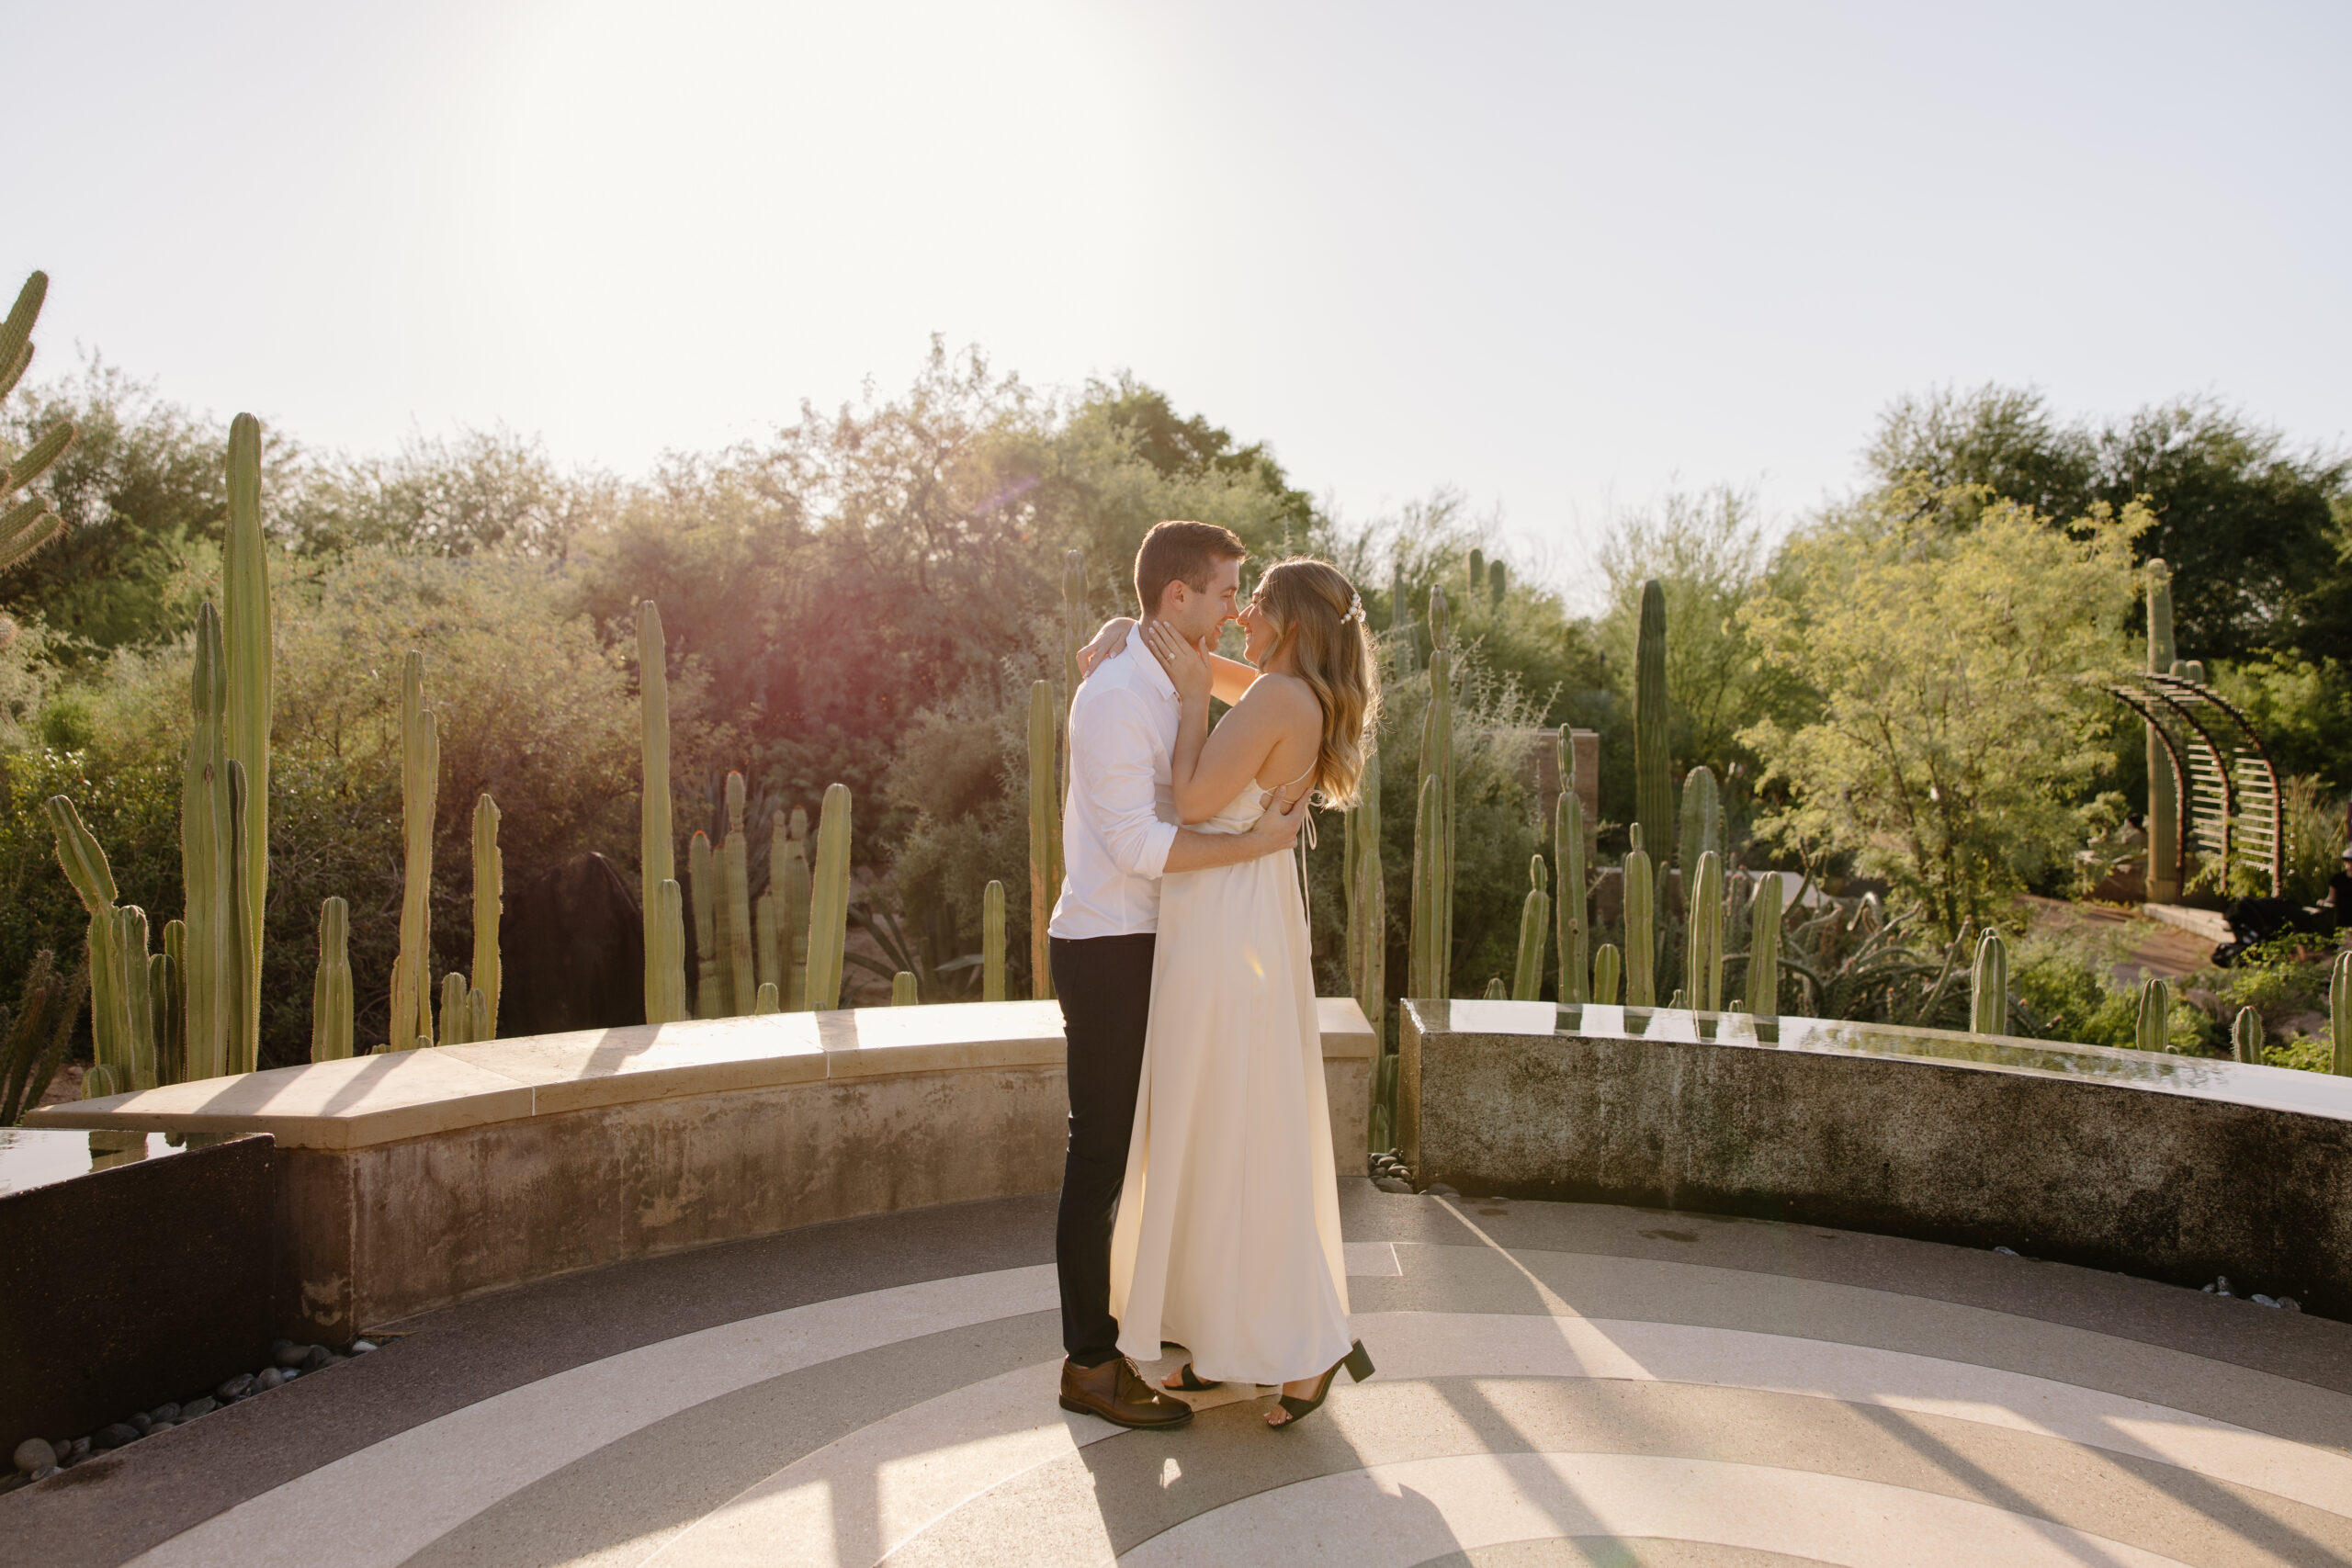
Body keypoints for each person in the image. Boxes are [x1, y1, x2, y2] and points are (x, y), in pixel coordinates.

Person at [1087, 557, 1380, 1428]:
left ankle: (1299, 1349)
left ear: (1287, 620)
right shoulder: (1287, 691)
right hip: (1241, 911)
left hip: (1225, 924)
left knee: (1226, 1118)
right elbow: (1204, 663)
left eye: (1253, 605)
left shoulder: (1275, 702)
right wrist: (1127, 630)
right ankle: (1231, 1346)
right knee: (1228, 1122)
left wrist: (1182, 707)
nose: (1239, 616)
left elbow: (1186, 799)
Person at [1048, 520, 1309, 1431]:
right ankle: (1088, 1362)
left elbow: (1254, 699)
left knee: (1170, 1148)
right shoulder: (1120, 694)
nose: (1235, 608)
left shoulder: (1165, 668)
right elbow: (1138, 844)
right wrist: (1250, 846)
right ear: (1179, 597)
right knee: (1102, 1154)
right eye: (1224, 591)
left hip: (1167, 943)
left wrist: (1129, 625)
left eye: (1242, 594)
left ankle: (1178, 1327)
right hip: (1109, 946)